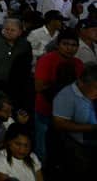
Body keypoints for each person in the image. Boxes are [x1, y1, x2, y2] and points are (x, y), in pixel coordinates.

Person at [33, 28, 84, 162]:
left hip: (67, 115)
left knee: (62, 150)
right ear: (58, 44)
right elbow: (38, 87)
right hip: (45, 111)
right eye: (65, 44)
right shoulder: (46, 60)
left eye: (73, 45)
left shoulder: (78, 63)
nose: (69, 48)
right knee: (42, 151)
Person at [52, 63, 97, 179]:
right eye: (95, 88)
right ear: (82, 83)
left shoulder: (90, 92)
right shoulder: (65, 96)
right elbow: (59, 124)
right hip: (78, 147)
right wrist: (92, 128)